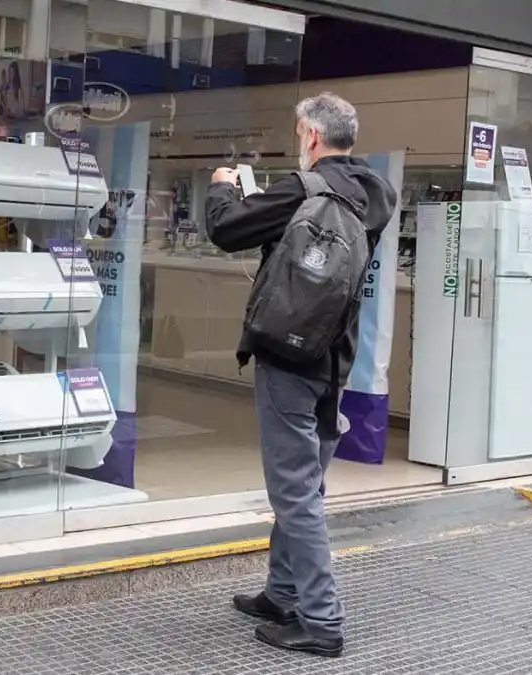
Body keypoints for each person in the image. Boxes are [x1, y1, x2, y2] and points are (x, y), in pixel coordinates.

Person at [204, 93, 397, 658]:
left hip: (289, 357)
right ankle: (282, 592)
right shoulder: (376, 194)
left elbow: (225, 229)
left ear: (311, 137)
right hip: (337, 355)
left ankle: (322, 619)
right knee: (306, 480)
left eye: (298, 133)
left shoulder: (302, 189)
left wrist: (223, 185)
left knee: (294, 493)